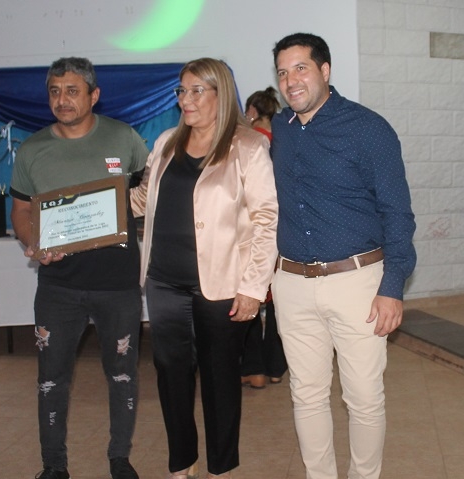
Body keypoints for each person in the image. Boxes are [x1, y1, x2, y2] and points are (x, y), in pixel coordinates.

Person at [270, 33, 417, 479]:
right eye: (282, 72)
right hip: (292, 284)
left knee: (364, 399)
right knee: (306, 395)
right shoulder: (279, 129)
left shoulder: (369, 129)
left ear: (325, 70)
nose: (291, 80)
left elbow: (398, 214)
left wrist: (392, 288)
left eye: (301, 68)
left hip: (358, 284)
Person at [130, 58, 277, 479]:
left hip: (223, 285)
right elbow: (142, 201)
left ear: (221, 93)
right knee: (170, 375)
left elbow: (266, 219)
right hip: (164, 282)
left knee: (220, 379)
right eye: (182, 91)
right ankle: (182, 463)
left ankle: (221, 468)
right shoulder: (166, 142)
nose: (186, 100)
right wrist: (89, 208)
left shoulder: (248, 146)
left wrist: (253, 288)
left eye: (197, 91)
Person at [10, 57, 148, 479]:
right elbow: (20, 212)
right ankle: (54, 466)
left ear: (94, 95)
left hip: (118, 284)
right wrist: (34, 244)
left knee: (122, 375)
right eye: (55, 91)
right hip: (58, 286)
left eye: (72, 91)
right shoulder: (32, 150)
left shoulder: (123, 138)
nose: (62, 100)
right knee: (51, 379)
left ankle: (120, 459)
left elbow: (148, 192)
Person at [240, 87, 287, 389]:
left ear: (253, 111)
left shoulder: (248, 141)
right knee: (279, 302)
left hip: (254, 230)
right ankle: (276, 367)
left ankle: (253, 368)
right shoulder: (283, 138)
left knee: (250, 298)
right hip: (283, 232)